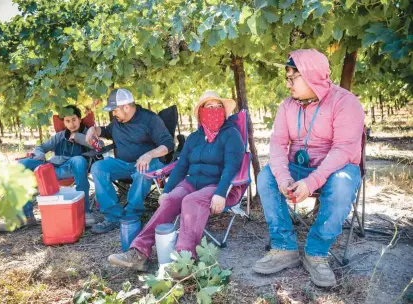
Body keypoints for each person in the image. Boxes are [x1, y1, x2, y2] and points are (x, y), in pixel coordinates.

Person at [253, 49, 364, 287]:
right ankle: (284, 248)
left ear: (310, 75)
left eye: (293, 78)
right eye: (287, 78)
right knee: (266, 178)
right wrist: (283, 178)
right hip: (297, 167)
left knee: (344, 182)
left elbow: (343, 150)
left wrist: (311, 182)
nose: (288, 84)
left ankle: (316, 252)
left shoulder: (346, 102)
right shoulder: (286, 106)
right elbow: (278, 144)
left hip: (335, 167)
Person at [107, 90, 245, 270]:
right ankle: (139, 251)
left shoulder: (231, 134)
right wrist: (166, 191)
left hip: (219, 185)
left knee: (191, 200)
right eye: (210, 107)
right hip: (192, 183)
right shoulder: (195, 138)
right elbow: (181, 167)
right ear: (201, 111)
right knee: (170, 200)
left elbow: (231, 167)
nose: (215, 110)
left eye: (219, 107)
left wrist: (220, 193)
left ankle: (184, 261)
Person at [87, 88, 174, 234]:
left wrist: (149, 154)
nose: (113, 114)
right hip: (123, 164)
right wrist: (93, 130)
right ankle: (113, 216)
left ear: (126, 107)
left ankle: (132, 214)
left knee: (143, 168)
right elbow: (106, 131)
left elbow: (169, 145)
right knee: (98, 168)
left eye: (115, 110)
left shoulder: (150, 119)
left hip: (148, 164)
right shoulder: (118, 122)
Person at [0, 105, 94, 232]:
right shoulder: (60, 136)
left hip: (74, 168)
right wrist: (40, 156)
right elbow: (40, 147)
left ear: (80, 119)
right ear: (63, 122)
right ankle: (26, 216)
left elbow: (98, 146)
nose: (71, 124)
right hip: (53, 169)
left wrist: (78, 137)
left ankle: (85, 212)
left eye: (74, 120)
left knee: (79, 159)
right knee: (22, 164)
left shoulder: (88, 133)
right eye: (67, 121)